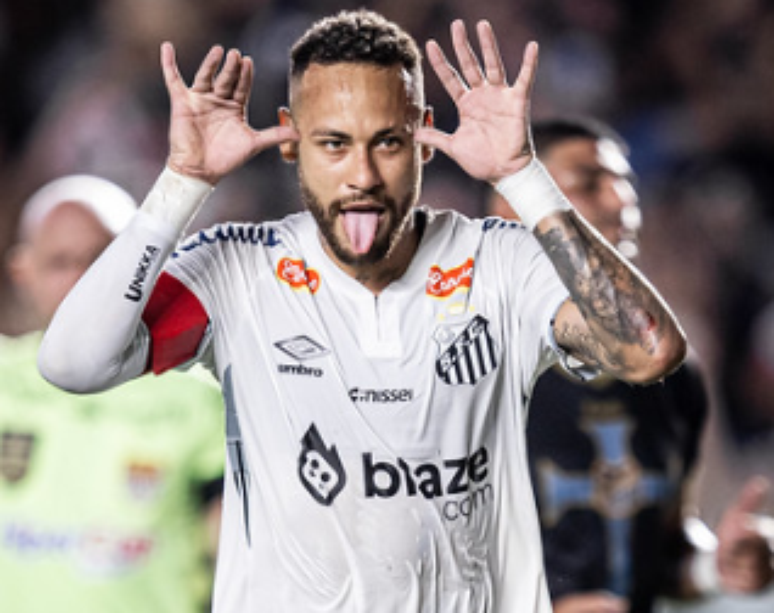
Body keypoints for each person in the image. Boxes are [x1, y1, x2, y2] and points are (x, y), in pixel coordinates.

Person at [38, 10, 688, 613]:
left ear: (425, 139)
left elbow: (647, 351)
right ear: (290, 141)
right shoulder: (238, 271)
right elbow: (73, 363)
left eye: (388, 142)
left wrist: (522, 175)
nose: (363, 176)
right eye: (333, 144)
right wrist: (182, 182)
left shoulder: (500, 264)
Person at [489, 117, 774, 612]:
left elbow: (664, 548)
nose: (621, 200)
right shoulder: (469, 365)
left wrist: (715, 565)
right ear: (512, 208)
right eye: (589, 183)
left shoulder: (675, 378)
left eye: (626, 184)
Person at [0, 175, 225, 613]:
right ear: (21, 273)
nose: (82, 280)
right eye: (60, 262)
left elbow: (244, 546)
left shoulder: (200, 398)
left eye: (102, 258)